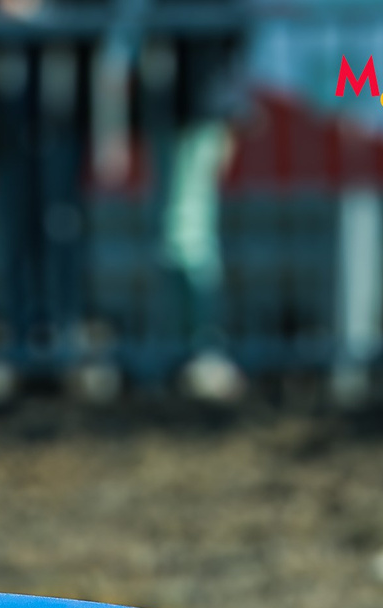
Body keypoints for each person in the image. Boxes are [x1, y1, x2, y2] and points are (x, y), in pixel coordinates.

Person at [0, 0, 92, 373]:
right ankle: (23, 340)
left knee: (61, 225)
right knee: (16, 231)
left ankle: (63, 334)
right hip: (9, 116)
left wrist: (38, 15)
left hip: (61, 112)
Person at [153, 0, 248, 399]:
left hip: (198, 109)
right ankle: (189, 348)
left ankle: (205, 349)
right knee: (179, 234)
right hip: (177, 108)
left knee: (186, 234)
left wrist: (225, 112)